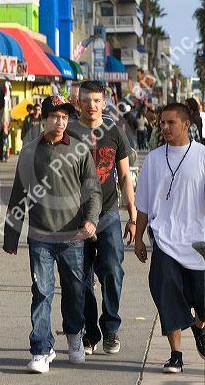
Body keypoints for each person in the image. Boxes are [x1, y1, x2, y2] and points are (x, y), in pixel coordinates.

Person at [4, 95, 102, 373]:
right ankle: (41, 349)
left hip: (73, 237)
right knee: (42, 292)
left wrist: (92, 219)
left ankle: (74, 335)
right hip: (40, 236)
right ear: (43, 119)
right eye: (54, 117)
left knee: (74, 290)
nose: (60, 122)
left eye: (64, 117)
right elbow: (19, 195)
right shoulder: (30, 151)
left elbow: (92, 191)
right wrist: (11, 234)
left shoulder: (80, 150)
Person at [67, 81, 137, 356]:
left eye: (96, 100)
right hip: (76, 217)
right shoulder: (69, 132)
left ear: (104, 103)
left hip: (108, 214)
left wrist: (132, 215)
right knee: (80, 278)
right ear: (78, 103)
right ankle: (89, 332)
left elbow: (124, 176)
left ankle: (110, 328)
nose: (91, 106)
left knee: (112, 269)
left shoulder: (115, 132)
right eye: (86, 100)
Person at [135, 103, 205, 374]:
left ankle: (199, 326)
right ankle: (176, 354)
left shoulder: (201, 156)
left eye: (170, 123)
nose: (164, 127)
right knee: (166, 292)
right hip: (164, 239)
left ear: (186, 125)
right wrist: (139, 238)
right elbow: (143, 203)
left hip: (198, 241)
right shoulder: (153, 159)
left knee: (202, 297)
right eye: (161, 123)